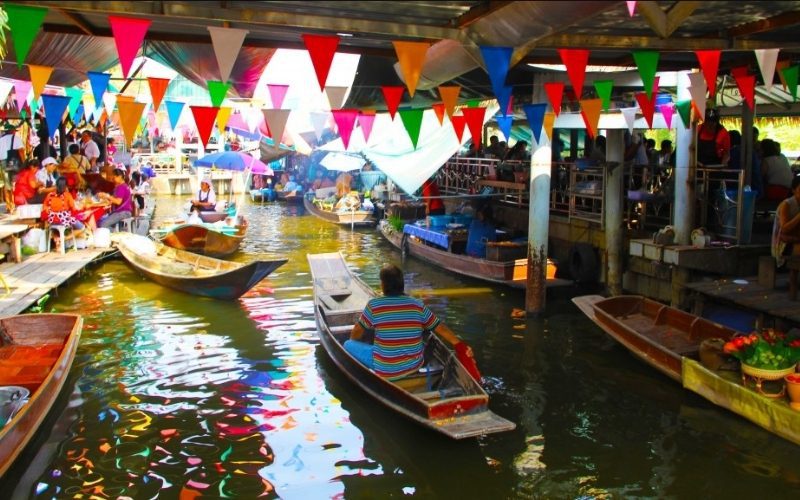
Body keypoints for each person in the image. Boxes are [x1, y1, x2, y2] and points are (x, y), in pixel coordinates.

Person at [344, 264, 467, 379]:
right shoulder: (417, 305)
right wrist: (460, 345)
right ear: (401, 284)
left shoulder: (374, 305)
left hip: (385, 369)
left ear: (383, 285)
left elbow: (357, 331)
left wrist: (355, 342)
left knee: (348, 344)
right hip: (413, 366)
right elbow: (440, 328)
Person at [772, 175, 800, 271]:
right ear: (793, 190)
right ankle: (793, 282)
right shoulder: (786, 205)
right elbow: (784, 228)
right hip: (784, 244)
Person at [0, 124, 24, 207]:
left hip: (4, 163)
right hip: (15, 162)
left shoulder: (1, 140)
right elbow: (21, 151)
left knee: (7, 184)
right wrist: (23, 162)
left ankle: (9, 205)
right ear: (13, 131)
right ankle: (15, 203)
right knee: (15, 183)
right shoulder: (16, 139)